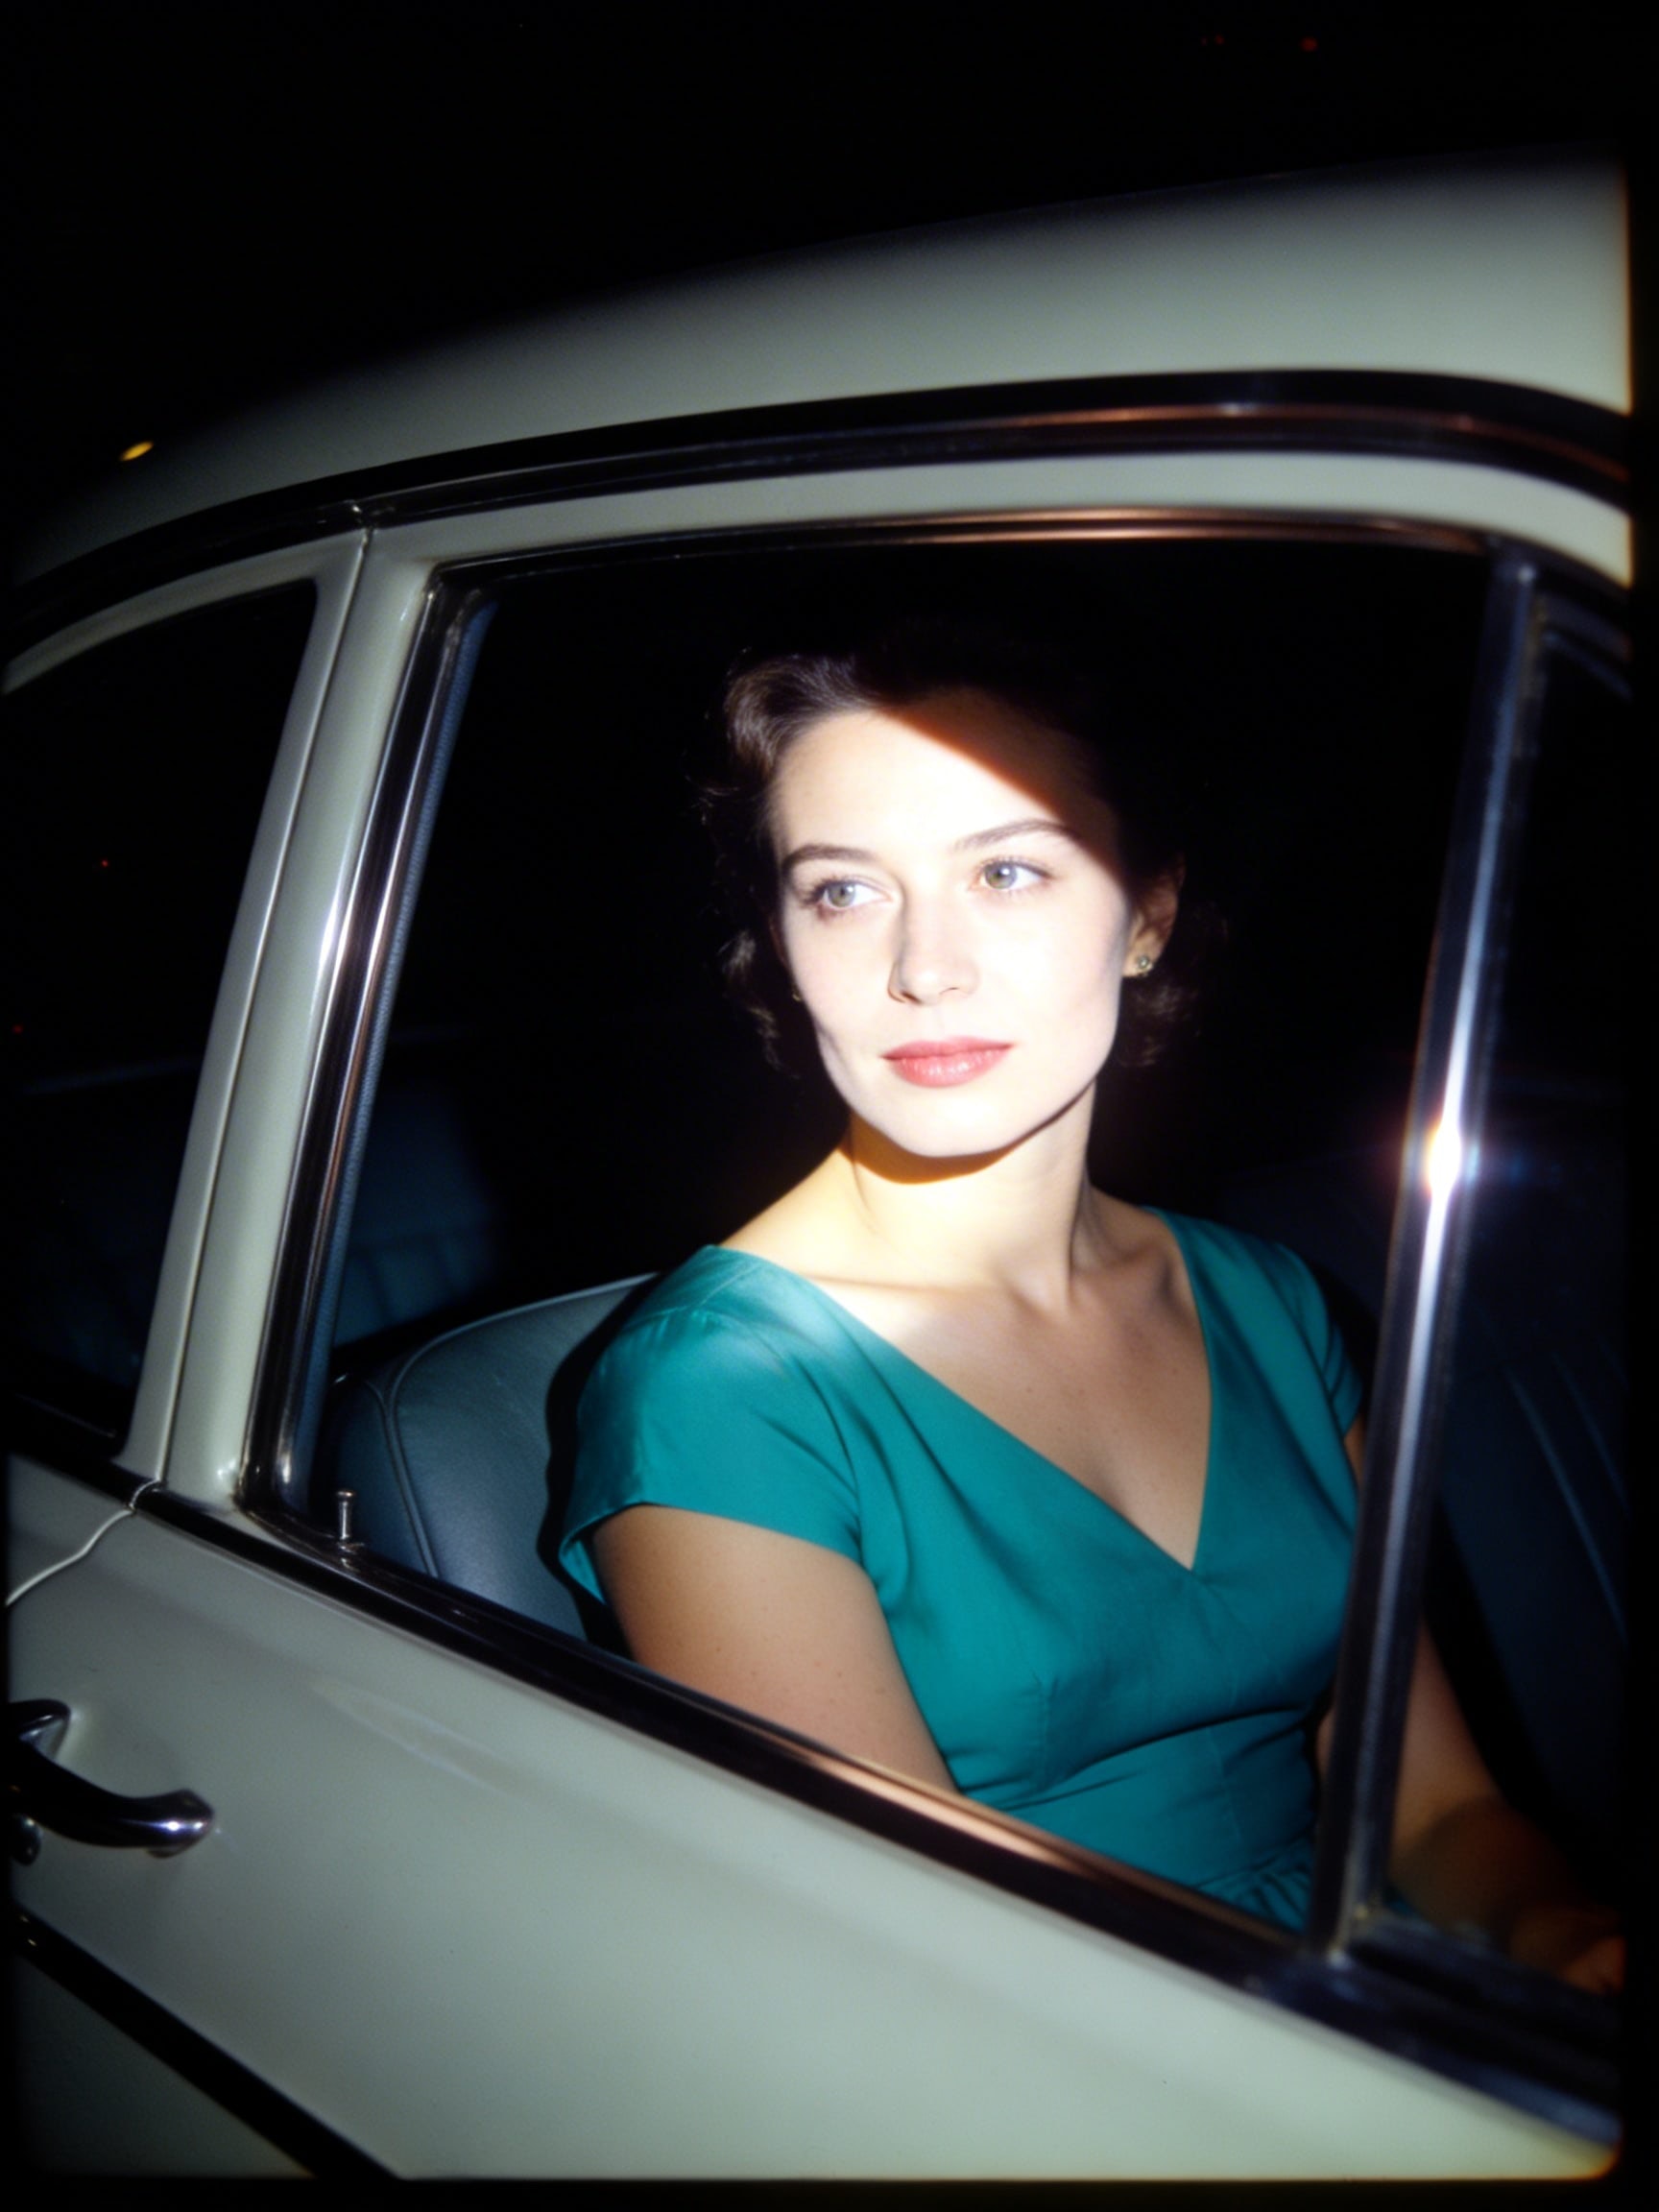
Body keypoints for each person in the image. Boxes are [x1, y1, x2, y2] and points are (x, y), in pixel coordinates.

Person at [559, 623, 1623, 1992]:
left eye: (1007, 870)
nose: (924, 970)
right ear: (779, 939)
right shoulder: (719, 1389)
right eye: (841, 892)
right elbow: (912, 1964)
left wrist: (1561, 1939)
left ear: (1149, 915)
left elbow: (1434, 1811)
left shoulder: (1270, 1302)